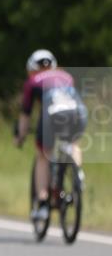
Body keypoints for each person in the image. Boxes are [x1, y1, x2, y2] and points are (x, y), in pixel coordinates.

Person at [14, 49, 88, 221]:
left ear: (32, 68)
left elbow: (26, 114)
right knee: (73, 144)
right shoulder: (66, 76)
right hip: (77, 113)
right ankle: (78, 174)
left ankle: (42, 203)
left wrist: (20, 136)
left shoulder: (32, 81)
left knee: (42, 156)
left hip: (52, 115)